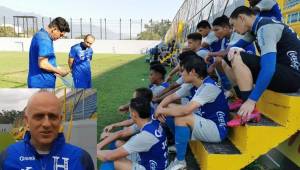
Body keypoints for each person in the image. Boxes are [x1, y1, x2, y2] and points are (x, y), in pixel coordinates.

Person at [217, 6, 300, 125]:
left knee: (238, 57)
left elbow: (268, 68)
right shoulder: (257, 27)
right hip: (283, 72)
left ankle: (249, 109)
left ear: (242, 18)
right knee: (226, 60)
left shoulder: (266, 28)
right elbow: (233, 48)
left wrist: (252, 100)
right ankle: (241, 99)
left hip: (291, 78)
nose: (234, 30)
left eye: (233, 25)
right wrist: (231, 50)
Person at [155, 53, 229, 169]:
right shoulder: (192, 83)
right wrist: (160, 108)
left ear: (193, 72)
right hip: (203, 122)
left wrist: (161, 111)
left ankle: (180, 162)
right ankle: (179, 144)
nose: (180, 73)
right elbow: (171, 97)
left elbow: (185, 110)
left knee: (181, 116)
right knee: (169, 107)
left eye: (183, 71)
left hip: (216, 130)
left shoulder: (209, 87)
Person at [0, 91, 94, 169]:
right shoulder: (7, 156)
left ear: (60, 120)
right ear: (27, 121)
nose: (46, 124)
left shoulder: (81, 158)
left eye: (52, 117)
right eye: (39, 116)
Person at [98, 97, 168, 170]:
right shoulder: (149, 121)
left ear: (134, 114)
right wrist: (98, 145)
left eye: (129, 111)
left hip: (151, 167)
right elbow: (122, 133)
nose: (129, 114)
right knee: (118, 143)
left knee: (113, 162)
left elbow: (108, 157)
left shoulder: (144, 136)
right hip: (151, 160)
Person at [27, 17, 70, 88]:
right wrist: (60, 72)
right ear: (54, 29)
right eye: (61, 35)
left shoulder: (40, 34)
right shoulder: (45, 40)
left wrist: (57, 68)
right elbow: (43, 64)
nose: (60, 37)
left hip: (38, 81)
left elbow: (46, 61)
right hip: (42, 84)